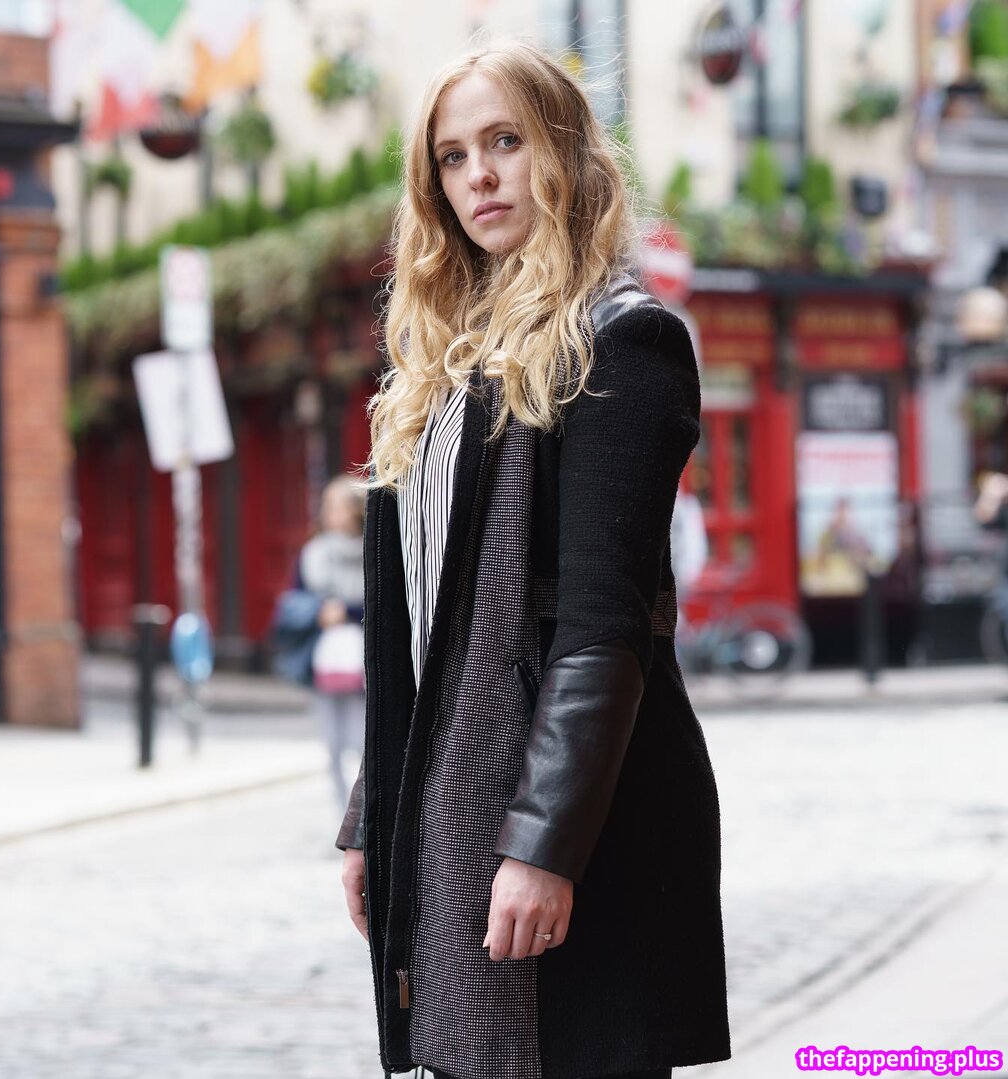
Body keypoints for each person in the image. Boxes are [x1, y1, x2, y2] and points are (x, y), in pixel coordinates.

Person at [335, 40, 731, 1079]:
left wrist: (545, 845)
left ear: (560, 152)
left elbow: (604, 629)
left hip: (578, 821)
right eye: (453, 156)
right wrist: (375, 811)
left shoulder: (624, 342)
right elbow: (425, 626)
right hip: (452, 807)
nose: (480, 175)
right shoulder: (438, 373)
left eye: (505, 141)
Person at [297, 474, 367, 813]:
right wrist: (318, 612)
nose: (327, 513)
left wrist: (348, 612)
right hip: (325, 658)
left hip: (363, 660)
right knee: (332, 744)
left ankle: (365, 815)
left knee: (362, 740)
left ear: (356, 511)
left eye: (335, 506)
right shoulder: (314, 553)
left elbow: (386, 601)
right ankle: (343, 816)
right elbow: (294, 600)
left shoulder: (373, 547)